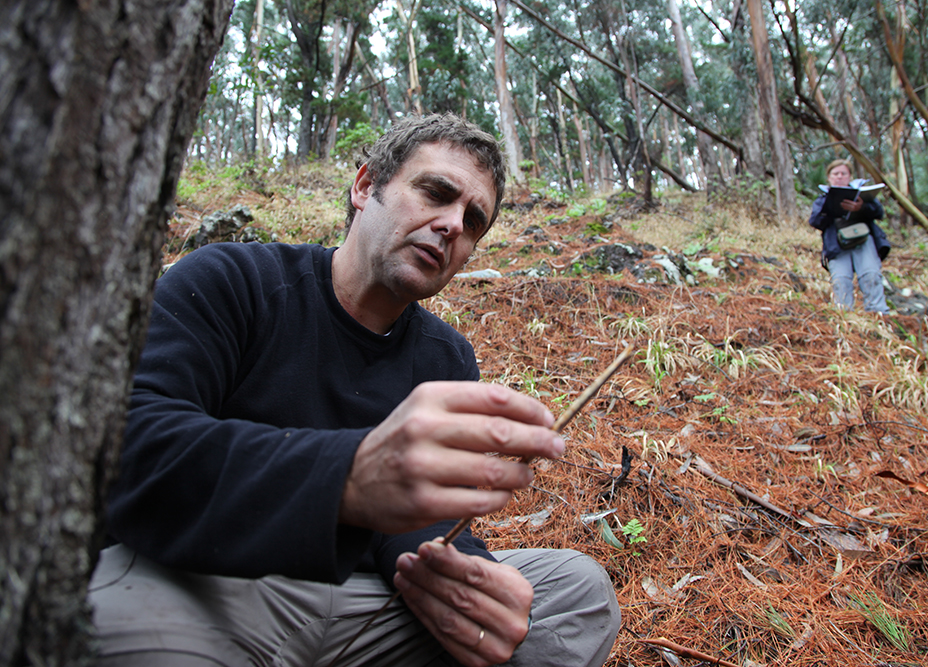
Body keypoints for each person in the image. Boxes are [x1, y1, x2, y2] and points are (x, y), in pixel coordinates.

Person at [89, 113, 621, 667]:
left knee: (574, 595)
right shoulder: (234, 280)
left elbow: (424, 521)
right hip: (206, 586)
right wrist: (344, 478)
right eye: (435, 192)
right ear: (366, 187)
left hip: (365, 605)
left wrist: (459, 574)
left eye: (473, 220)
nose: (451, 225)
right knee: (105, 624)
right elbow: (129, 447)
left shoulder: (447, 357)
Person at [808, 159, 891, 313]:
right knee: (841, 280)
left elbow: (879, 213)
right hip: (837, 244)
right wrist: (832, 208)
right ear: (829, 177)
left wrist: (861, 207)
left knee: (871, 275)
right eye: (836, 173)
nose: (840, 177)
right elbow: (815, 221)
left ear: (850, 176)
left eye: (843, 173)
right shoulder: (822, 199)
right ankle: (844, 316)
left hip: (864, 240)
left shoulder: (862, 194)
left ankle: (878, 314)